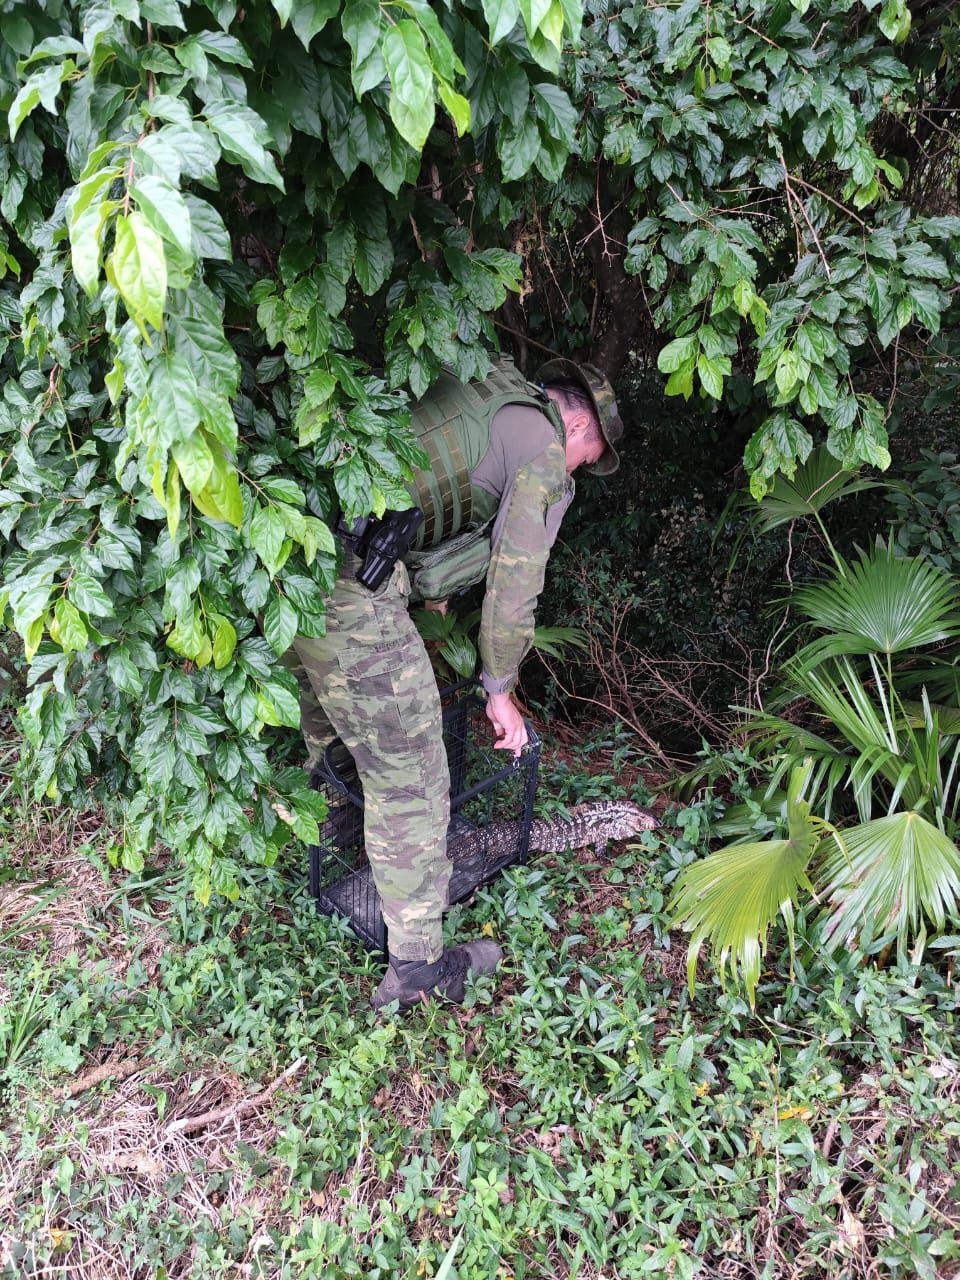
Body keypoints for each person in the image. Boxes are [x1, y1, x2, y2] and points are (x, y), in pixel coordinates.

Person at [290, 355, 624, 1010]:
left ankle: (331, 837)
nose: (580, 467)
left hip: (292, 550)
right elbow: (515, 580)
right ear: (579, 423)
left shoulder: (482, 383)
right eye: (590, 455)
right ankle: (416, 972)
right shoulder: (545, 451)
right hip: (349, 584)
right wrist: (499, 686)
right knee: (412, 772)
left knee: (327, 712)